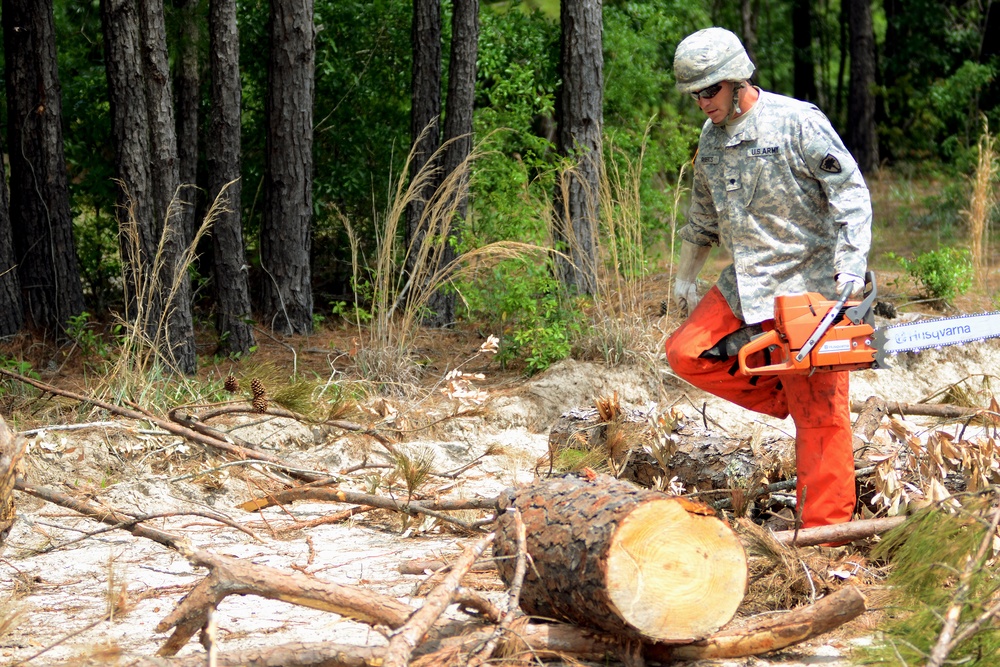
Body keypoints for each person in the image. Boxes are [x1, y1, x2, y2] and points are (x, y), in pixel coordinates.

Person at [664, 27, 873, 529]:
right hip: (748, 281)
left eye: (709, 91)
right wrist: (684, 278)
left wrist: (851, 264)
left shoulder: (797, 122)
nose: (703, 103)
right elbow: (702, 219)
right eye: (695, 95)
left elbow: (850, 193)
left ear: (737, 80)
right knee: (685, 352)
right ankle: (786, 390)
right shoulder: (711, 141)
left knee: (821, 419)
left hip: (812, 284)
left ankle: (825, 535)